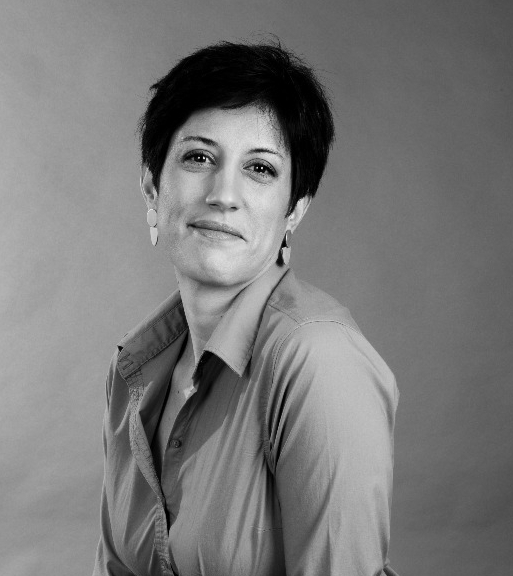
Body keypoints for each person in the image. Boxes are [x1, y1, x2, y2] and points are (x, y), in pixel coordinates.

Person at [93, 40, 399, 576]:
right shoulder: (134, 369)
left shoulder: (318, 360)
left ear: (294, 210)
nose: (223, 194)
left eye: (259, 169)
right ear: (151, 187)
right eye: (199, 158)